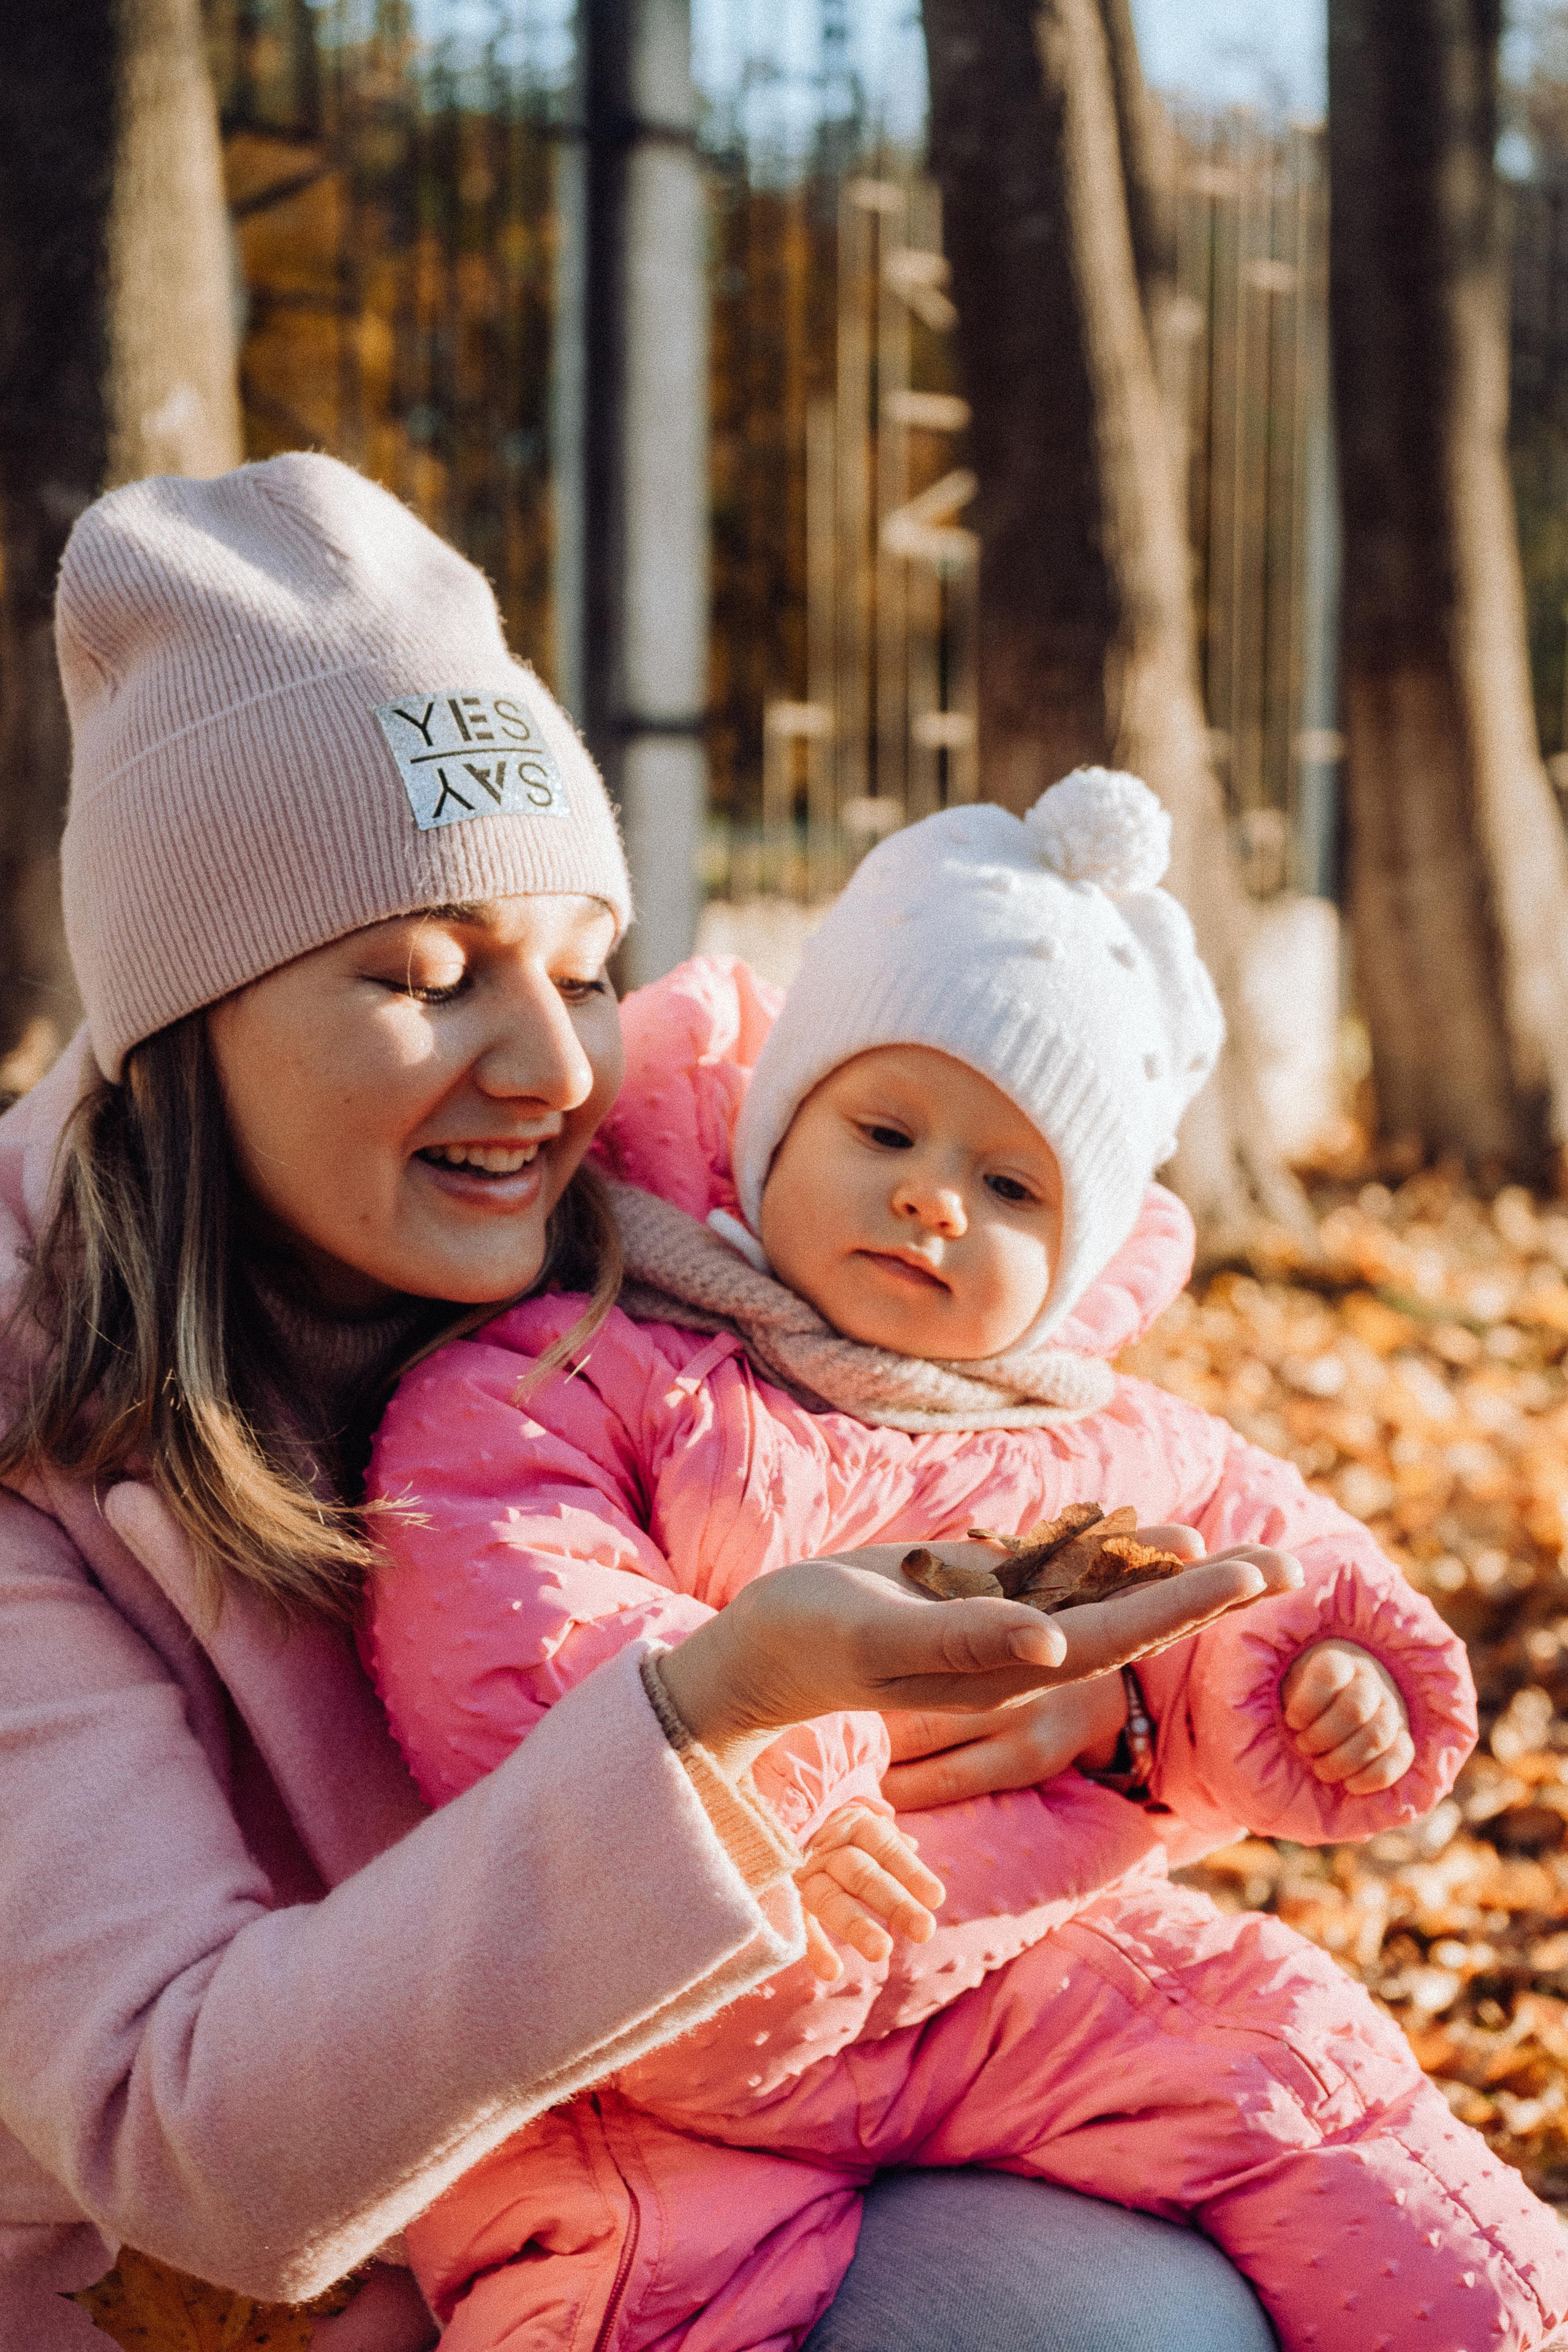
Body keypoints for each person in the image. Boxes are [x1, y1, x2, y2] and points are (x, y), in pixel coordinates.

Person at [0, 452, 1291, 2352]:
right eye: (428, 979)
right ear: (184, 1025)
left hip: (748, 2165)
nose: (548, 1066)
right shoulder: (34, 1455)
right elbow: (187, 2136)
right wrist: (708, 1717)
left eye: (588, 971)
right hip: (294, 2301)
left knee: (1151, 2311)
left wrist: (1097, 1714)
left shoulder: (690, 1261)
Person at [366, 772, 1568, 2352]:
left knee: (1297, 2060)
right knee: (641, 2259)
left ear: (1070, 1261)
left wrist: (1311, 1675)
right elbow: (504, 1606)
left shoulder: (1104, 1437)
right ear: (777, 1122)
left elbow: (1244, 1572)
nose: (935, 1196)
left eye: (1011, 1188)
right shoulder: (602, 1359)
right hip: (703, 1985)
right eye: (883, 1130)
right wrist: (771, 1777)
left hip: (1006, 1979)